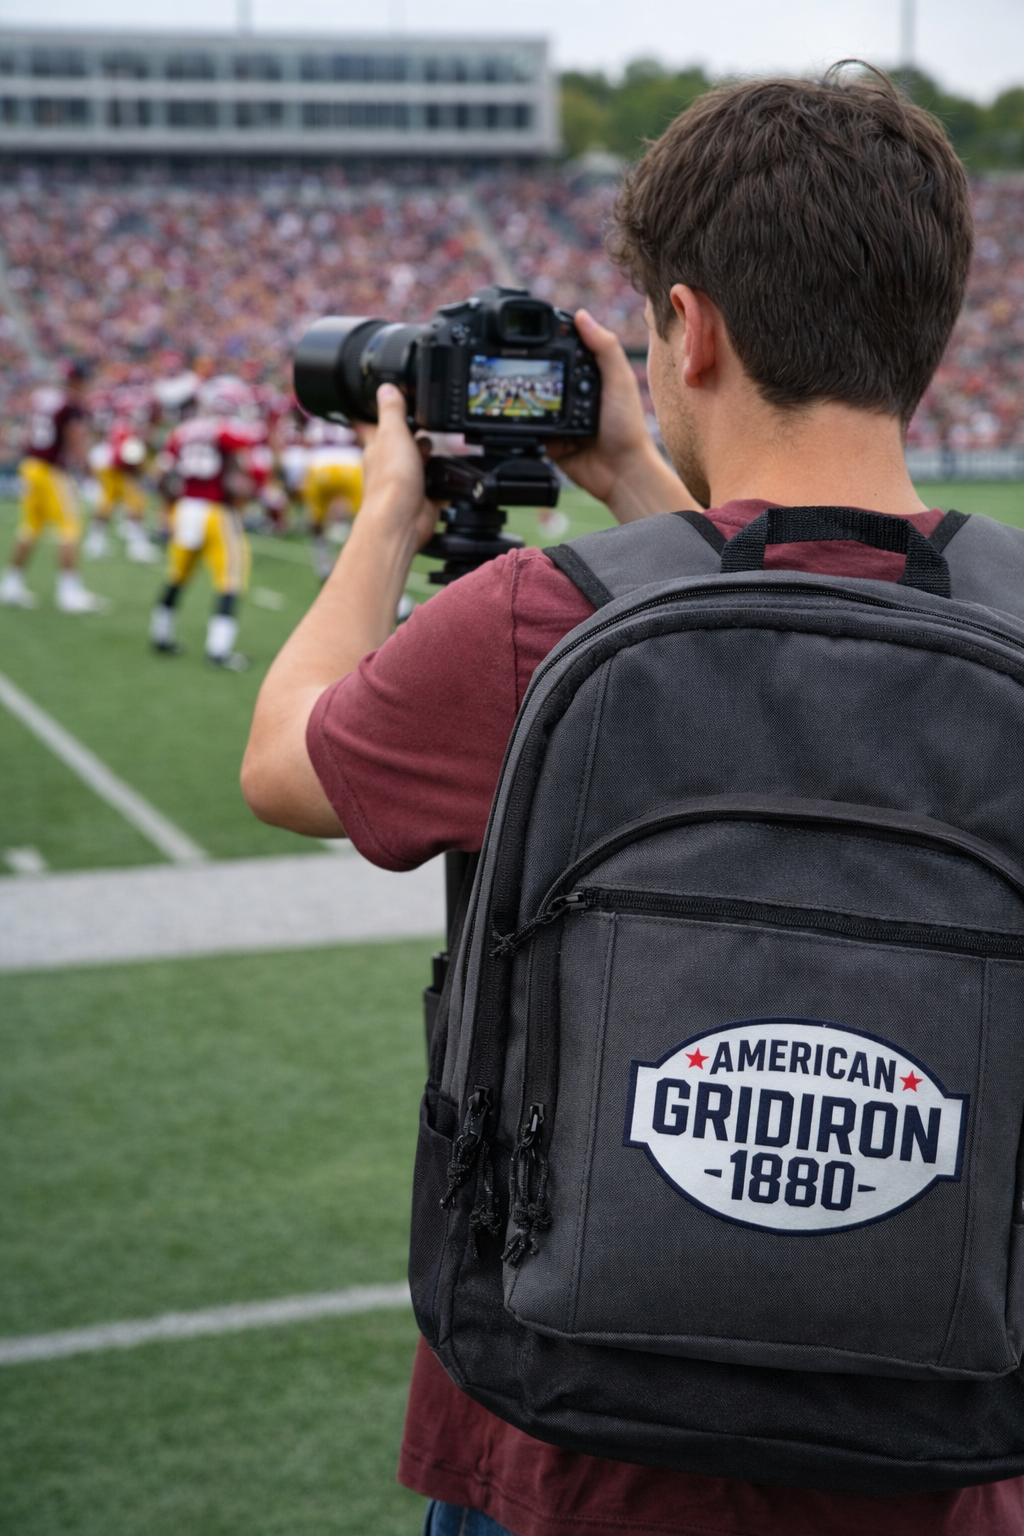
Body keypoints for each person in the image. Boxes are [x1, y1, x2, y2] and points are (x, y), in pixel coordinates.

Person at [242, 71, 1024, 1536]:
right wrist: (638, 471)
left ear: (693, 328)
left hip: (573, 1451)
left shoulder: (547, 621)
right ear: (934, 329)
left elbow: (288, 762)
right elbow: (799, 647)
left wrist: (386, 515)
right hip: (940, 1449)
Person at [149, 410, 264, 670]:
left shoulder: (181, 432)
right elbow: (248, 467)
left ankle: (161, 635)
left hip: (185, 508)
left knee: (177, 574)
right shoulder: (223, 432)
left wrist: (166, 508)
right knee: (230, 579)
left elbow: (162, 474)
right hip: (215, 511)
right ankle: (218, 651)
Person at [0, 363, 104, 612]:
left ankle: (11, 585)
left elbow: (27, 433)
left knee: (30, 527)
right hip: (52, 471)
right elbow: (75, 438)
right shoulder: (70, 404)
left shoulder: (41, 397)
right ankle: (69, 593)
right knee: (69, 528)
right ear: (78, 380)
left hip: (31, 466)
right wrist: (88, 473)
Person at [84, 424, 158, 563]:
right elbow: (128, 461)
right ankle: (137, 546)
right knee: (134, 503)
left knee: (107, 503)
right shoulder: (129, 436)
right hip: (112, 468)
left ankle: (95, 541)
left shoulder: (125, 432)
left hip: (105, 464)